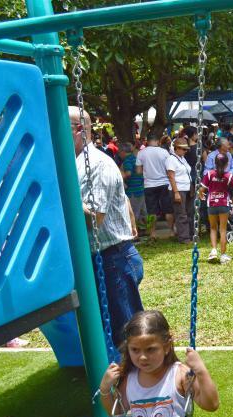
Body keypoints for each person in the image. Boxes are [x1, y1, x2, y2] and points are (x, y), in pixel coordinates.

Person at [69, 106, 143, 348]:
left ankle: (140, 382)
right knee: (110, 330)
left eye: (59, 126)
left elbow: (94, 220)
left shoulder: (96, 164)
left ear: (80, 130)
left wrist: (63, 191)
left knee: (128, 337)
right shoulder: (75, 163)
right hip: (102, 257)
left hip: (113, 258)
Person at [199, 153, 233, 264]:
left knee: (212, 228)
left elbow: (202, 189)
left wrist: (201, 195)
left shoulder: (209, 174)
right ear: (227, 164)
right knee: (223, 229)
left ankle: (213, 251)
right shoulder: (228, 175)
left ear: (214, 163)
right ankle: (223, 255)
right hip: (223, 204)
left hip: (211, 203)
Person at [137, 134, 173, 240]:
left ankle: (152, 233)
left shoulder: (141, 153)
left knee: (151, 211)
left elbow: (139, 171)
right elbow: (169, 168)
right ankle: (171, 231)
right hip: (164, 183)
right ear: (157, 141)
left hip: (149, 185)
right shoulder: (164, 152)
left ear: (147, 142)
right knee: (168, 209)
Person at [166, 138, 193, 243]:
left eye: (186, 150)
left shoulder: (182, 158)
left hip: (187, 188)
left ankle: (190, 235)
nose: (185, 151)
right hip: (179, 189)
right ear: (176, 148)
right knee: (181, 214)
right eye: (183, 149)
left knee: (189, 212)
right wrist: (176, 192)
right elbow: (171, 177)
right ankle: (184, 238)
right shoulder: (171, 159)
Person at [119, 142, 147, 237]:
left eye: (120, 152)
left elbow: (128, 173)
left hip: (132, 191)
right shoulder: (135, 158)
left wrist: (120, 174)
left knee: (134, 213)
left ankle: (135, 234)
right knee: (143, 211)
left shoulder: (127, 161)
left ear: (123, 152)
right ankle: (144, 230)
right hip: (140, 188)